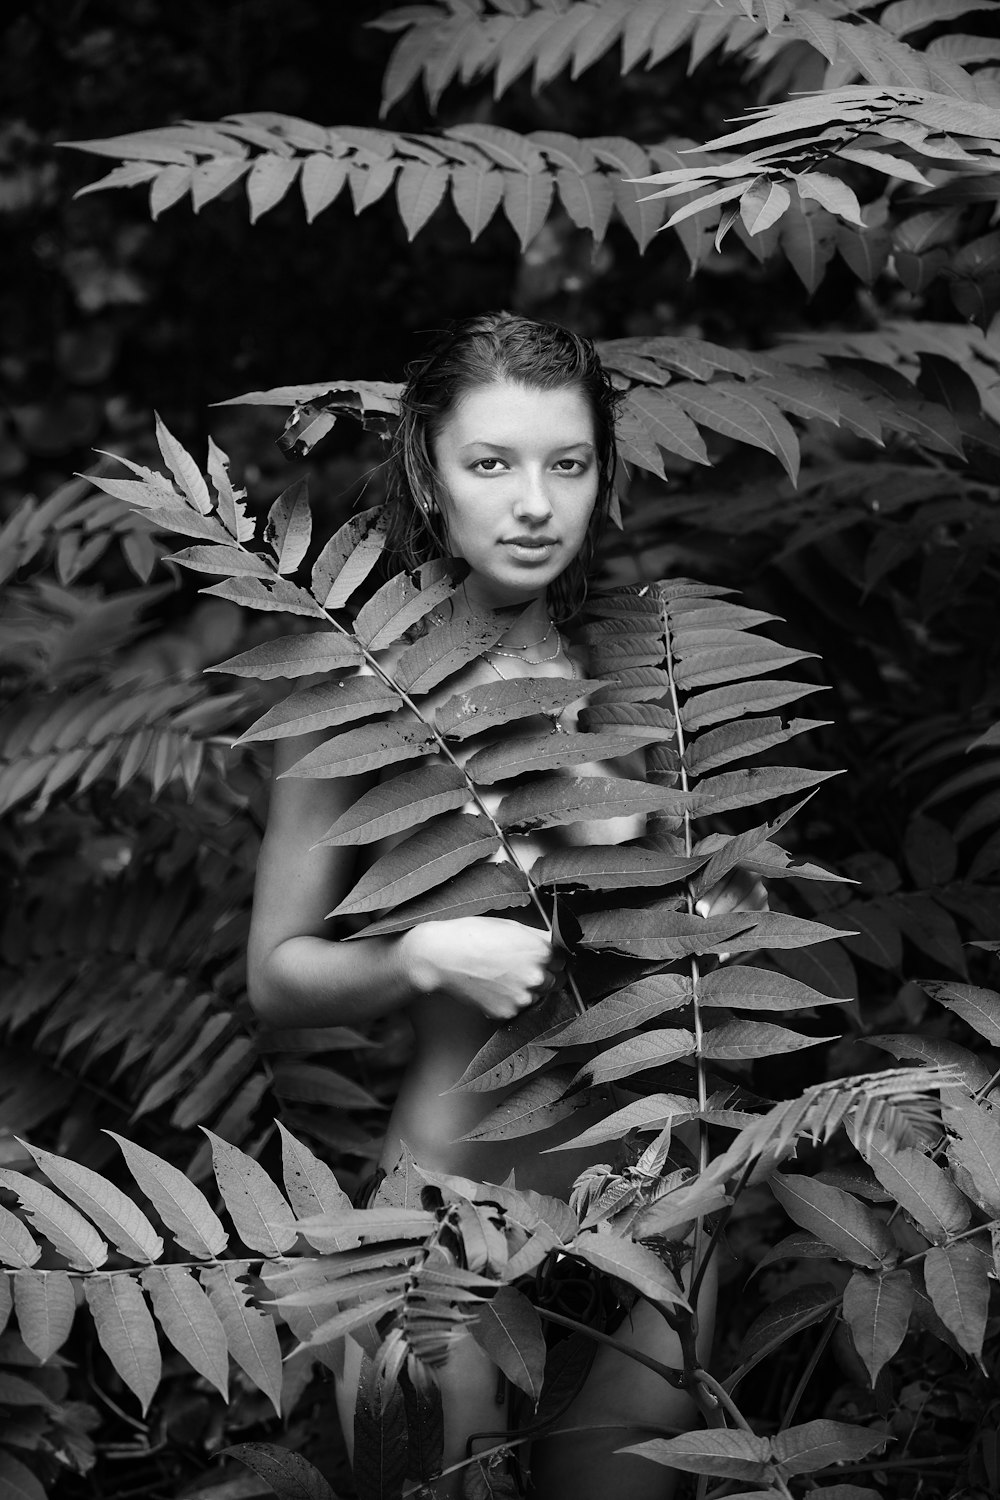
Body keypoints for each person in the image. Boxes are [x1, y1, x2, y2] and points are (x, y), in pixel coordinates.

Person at [246, 313, 766, 1499]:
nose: (532, 502)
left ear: (602, 475)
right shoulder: (356, 694)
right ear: (429, 477)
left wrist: (713, 916)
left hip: (654, 1209)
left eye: (564, 463)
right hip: (444, 1223)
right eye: (492, 464)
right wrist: (422, 953)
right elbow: (274, 977)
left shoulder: (647, 683)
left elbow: (685, 955)